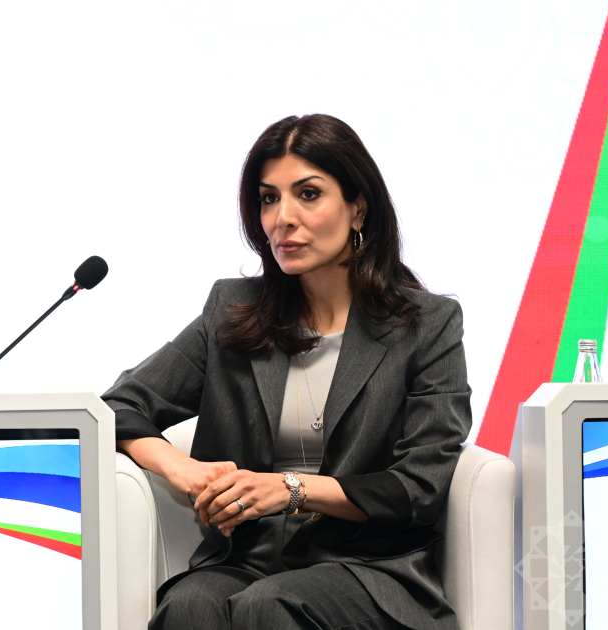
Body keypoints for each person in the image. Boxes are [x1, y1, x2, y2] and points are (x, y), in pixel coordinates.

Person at [103, 114, 471, 630]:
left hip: (369, 569)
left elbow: (419, 486)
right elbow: (118, 407)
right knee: (188, 605)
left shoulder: (427, 324)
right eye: (268, 198)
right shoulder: (231, 311)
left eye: (308, 194)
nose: (282, 218)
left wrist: (292, 489)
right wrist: (181, 469)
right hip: (246, 559)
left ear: (358, 206)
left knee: (270, 605)